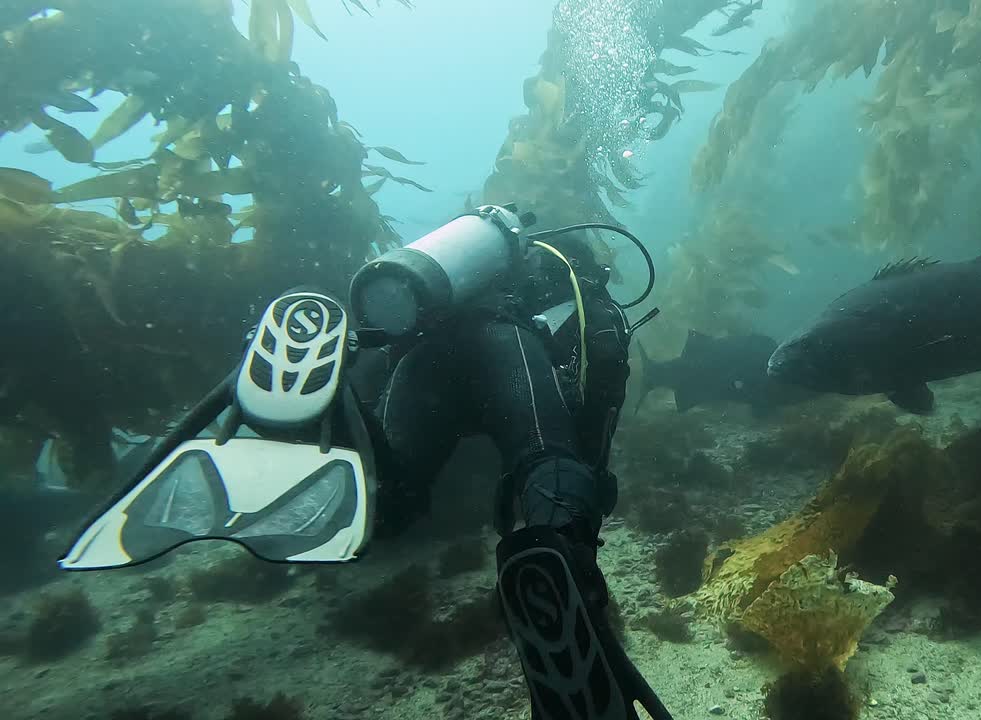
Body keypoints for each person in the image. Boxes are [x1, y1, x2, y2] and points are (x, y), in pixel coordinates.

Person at [59, 205, 670, 720]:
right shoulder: (558, 280)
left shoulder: (441, 286)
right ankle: (561, 568)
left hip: (421, 360)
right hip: (498, 344)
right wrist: (578, 499)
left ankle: (308, 402)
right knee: (548, 458)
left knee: (392, 500)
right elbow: (595, 390)